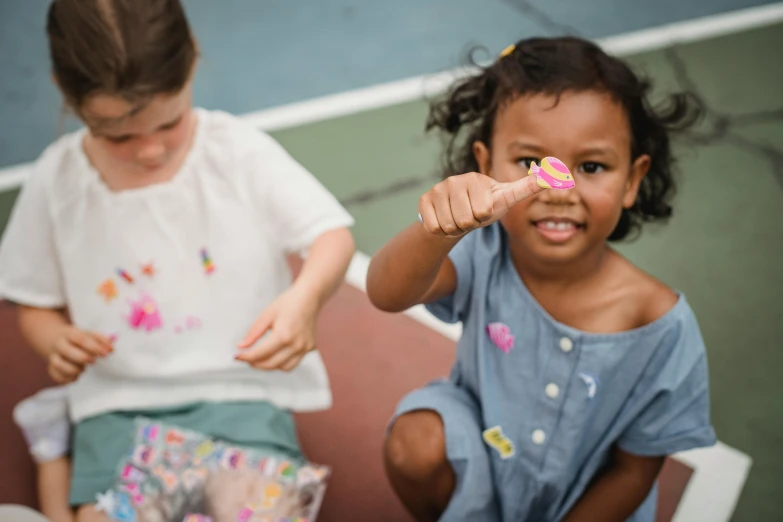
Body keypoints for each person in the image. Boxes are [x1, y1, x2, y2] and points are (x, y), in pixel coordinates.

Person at [0, 1, 355, 521]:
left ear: (191, 62)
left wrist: (305, 299)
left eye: (169, 122)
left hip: (242, 396)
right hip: (118, 406)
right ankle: (61, 440)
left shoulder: (234, 151)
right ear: (65, 92)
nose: (149, 150)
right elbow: (34, 304)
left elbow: (331, 235)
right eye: (118, 135)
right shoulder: (58, 179)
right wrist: (55, 341)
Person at [366, 37, 716, 522]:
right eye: (531, 163)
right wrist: (437, 228)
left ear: (632, 180)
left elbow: (633, 472)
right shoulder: (482, 251)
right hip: (480, 461)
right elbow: (386, 293)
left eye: (591, 166)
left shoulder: (658, 323)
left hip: (583, 501)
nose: (558, 188)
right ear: (487, 166)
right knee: (414, 442)